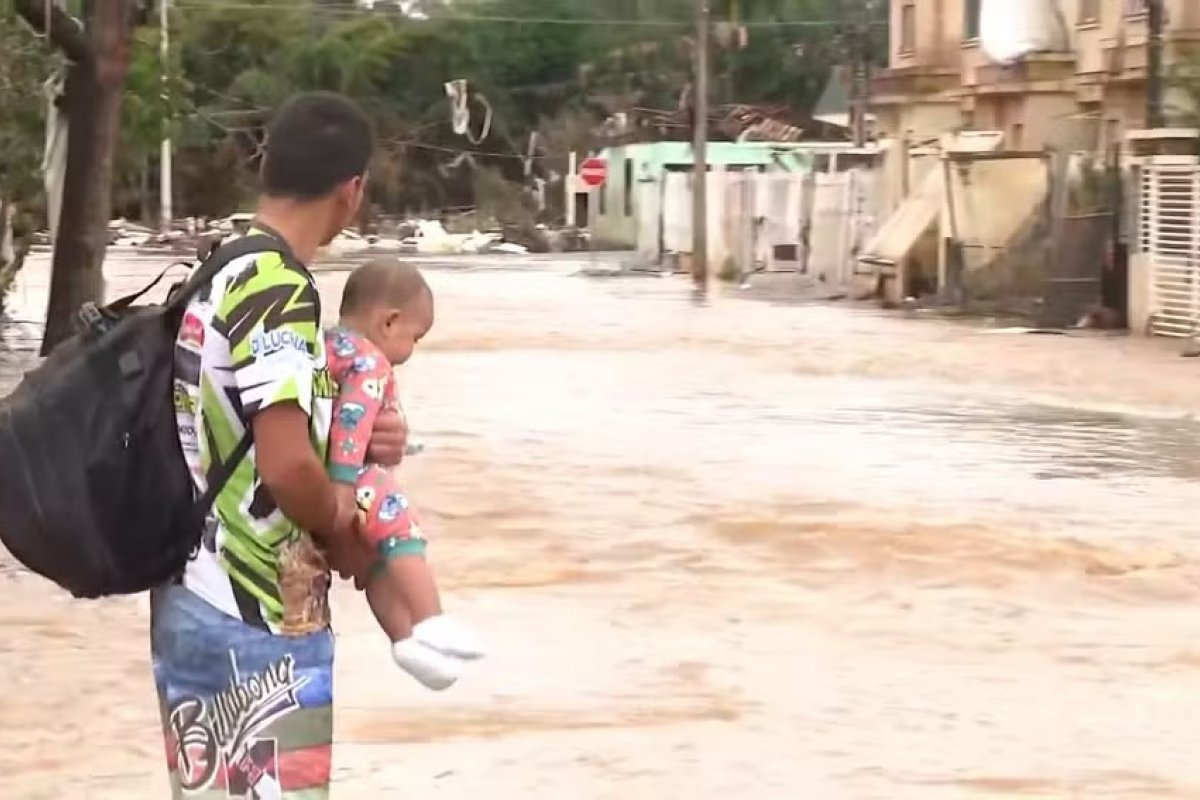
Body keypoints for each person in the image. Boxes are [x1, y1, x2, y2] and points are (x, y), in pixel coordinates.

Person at [154, 92, 399, 799]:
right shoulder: (279, 288)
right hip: (255, 613)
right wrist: (344, 529)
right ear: (351, 192)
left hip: (187, 592)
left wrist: (374, 431)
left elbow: (230, 419)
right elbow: (288, 464)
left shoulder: (220, 268)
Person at [325, 257, 485, 690]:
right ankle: (431, 621)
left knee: (377, 565)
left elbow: (333, 414)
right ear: (389, 322)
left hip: (331, 474)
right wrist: (342, 484)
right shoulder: (370, 361)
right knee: (402, 536)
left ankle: (404, 641)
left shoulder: (327, 346)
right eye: (415, 337)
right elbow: (354, 420)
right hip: (354, 477)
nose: (412, 351)